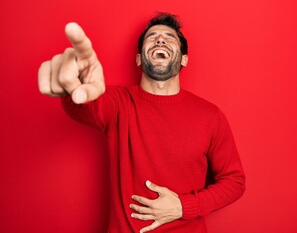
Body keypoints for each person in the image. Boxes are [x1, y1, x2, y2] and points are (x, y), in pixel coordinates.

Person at [38, 13, 245, 233]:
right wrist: (72, 86)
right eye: (152, 36)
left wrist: (183, 207)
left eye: (169, 37)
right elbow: (83, 106)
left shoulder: (210, 115)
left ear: (184, 58)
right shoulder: (118, 103)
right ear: (139, 59)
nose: (160, 40)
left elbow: (235, 182)